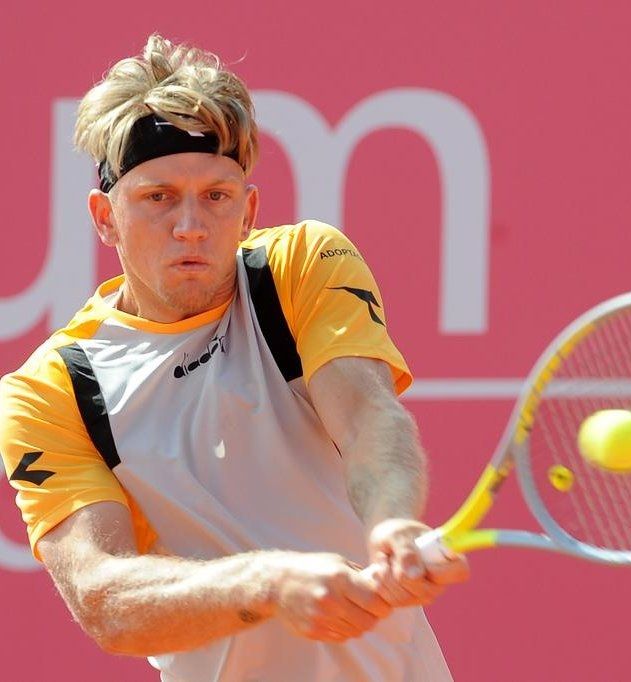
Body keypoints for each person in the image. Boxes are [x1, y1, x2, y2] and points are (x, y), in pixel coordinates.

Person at [0, 35, 469, 681]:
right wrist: (268, 583)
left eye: (216, 196)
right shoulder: (51, 389)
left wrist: (392, 525)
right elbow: (104, 599)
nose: (190, 223)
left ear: (248, 210)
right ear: (105, 217)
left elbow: (367, 416)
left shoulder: (301, 265)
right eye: (158, 196)